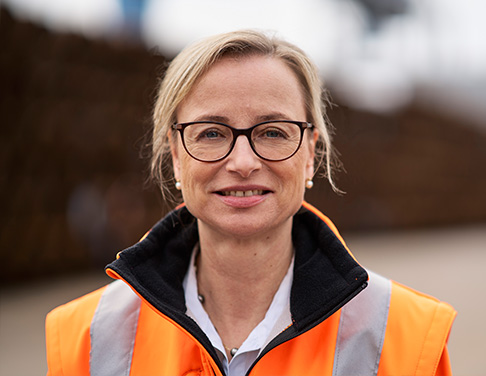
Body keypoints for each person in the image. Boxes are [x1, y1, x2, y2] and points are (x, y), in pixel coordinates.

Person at [45, 30, 456, 376]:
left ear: (310, 152)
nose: (243, 163)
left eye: (273, 132)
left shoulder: (406, 338)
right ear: (175, 153)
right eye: (211, 133)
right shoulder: (86, 338)